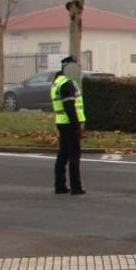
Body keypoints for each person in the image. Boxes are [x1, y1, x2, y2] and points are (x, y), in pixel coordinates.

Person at [50, 57, 85, 195]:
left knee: (63, 154)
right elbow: (70, 106)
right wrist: (77, 125)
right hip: (70, 123)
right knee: (74, 155)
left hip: (61, 122)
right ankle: (76, 187)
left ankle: (60, 185)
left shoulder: (57, 82)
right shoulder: (67, 84)